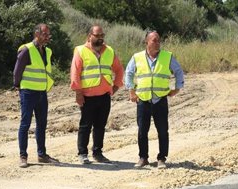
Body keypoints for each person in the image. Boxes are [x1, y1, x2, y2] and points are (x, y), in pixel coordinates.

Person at [125, 30, 184, 169]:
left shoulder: (167, 56)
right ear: (147, 42)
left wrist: (177, 87)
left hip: (160, 100)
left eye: (158, 40)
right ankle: (143, 158)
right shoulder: (137, 57)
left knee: (163, 130)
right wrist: (131, 91)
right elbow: (128, 73)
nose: (157, 43)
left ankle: (162, 158)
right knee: (142, 131)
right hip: (143, 100)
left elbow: (178, 71)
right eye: (154, 40)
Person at [70, 25, 124, 164]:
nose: (100, 38)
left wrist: (116, 86)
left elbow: (119, 69)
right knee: (85, 125)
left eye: (102, 35)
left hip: (104, 96)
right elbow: (75, 73)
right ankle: (82, 153)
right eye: (97, 35)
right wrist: (78, 93)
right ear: (90, 36)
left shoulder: (109, 51)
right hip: (87, 96)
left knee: (100, 126)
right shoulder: (80, 51)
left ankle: (98, 153)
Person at [13, 23, 58, 168]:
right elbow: (17, 72)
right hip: (28, 92)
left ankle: (42, 155)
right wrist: (19, 87)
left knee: (42, 124)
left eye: (48, 34)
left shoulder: (47, 51)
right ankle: (23, 156)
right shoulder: (27, 50)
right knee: (25, 124)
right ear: (36, 34)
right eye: (45, 34)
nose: (47, 37)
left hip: (41, 93)